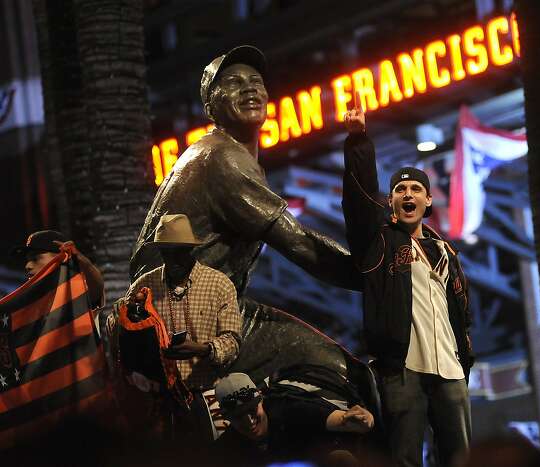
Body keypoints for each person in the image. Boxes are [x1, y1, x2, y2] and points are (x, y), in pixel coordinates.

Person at [130, 44, 357, 296]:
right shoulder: (220, 155)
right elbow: (299, 243)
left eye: (256, 81)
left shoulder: (222, 153)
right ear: (210, 109)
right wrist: (372, 276)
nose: (249, 88)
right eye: (234, 82)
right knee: (309, 339)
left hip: (200, 303)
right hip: (175, 312)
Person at [342, 95, 474, 466]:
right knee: (404, 460)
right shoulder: (379, 242)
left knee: (461, 459)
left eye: (415, 189)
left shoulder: (444, 250)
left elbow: (461, 311)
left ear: (429, 200)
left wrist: (464, 356)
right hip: (402, 369)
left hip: (450, 369)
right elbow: (358, 200)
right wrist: (358, 142)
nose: (408, 194)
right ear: (391, 201)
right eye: (400, 189)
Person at [124, 214, 242, 392]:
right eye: (166, 252)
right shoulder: (143, 286)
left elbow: (232, 343)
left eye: (179, 251)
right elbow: (125, 337)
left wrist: (203, 349)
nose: (172, 259)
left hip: (206, 392)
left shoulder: (219, 285)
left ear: (190, 250)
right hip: (159, 394)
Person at [214, 372, 374, 465]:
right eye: (238, 416)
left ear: (261, 400)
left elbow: (348, 421)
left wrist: (365, 419)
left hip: (317, 460)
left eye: (251, 410)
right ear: (226, 417)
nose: (249, 421)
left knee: (341, 458)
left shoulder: (290, 409)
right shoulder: (228, 447)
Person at [12, 229, 105, 308]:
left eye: (35, 258)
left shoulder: (75, 292)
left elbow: (96, 290)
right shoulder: (28, 303)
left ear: (61, 257)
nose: (27, 266)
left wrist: (82, 260)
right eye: (27, 260)